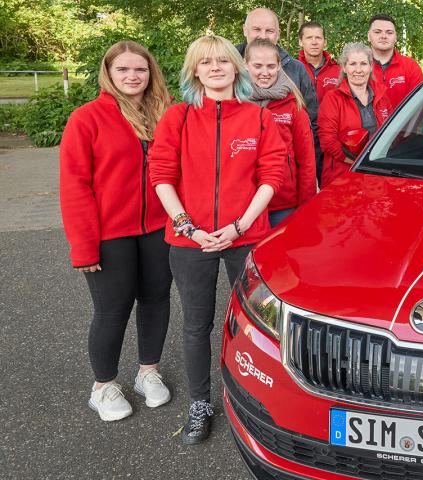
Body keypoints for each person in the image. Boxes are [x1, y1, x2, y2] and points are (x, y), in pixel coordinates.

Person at [149, 34, 286, 445]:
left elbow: (272, 177)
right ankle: (200, 404)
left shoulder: (258, 118)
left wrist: (239, 226)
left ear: (236, 68)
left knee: (255, 325)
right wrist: (188, 226)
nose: (214, 68)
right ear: (194, 70)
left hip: (245, 237)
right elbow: (161, 176)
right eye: (205, 62)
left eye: (222, 61)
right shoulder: (177, 117)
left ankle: (259, 400)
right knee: (197, 325)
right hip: (191, 242)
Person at [59, 40, 174, 422]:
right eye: (122, 69)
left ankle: (148, 372)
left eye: (139, 69)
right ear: (108, 74)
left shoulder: (165, 114)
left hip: (159, 227)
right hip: (110, 233)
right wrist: (84, 247)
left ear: (150, 72)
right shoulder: (87, 118)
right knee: (112, 310)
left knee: (156, 299)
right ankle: (103, 385)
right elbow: (75, 185)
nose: (132, 76)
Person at [238, 8, 322, 182]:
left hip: (284, 180)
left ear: (278, 34)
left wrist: (310, 178)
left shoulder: (296, 69)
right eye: (256, 29)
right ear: (245, 30)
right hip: (239, 179)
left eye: (269, 31)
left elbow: (312, 124)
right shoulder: (227, 64)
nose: (263, 36)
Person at [245, 39, 317, 226]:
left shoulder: (293, 104)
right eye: (257, 66)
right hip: (244, 204)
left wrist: (306, 205)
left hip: (283, 204)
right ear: (245, 65)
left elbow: (306, 158)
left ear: (279, 66)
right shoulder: (236, 102)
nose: (265, 73)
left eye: (271, 66)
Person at [317, 42, 392, 185]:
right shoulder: (333, 98)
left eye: (363, 64)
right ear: (344, 67)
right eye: (353, 64)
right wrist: (358, 162)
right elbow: (327, 141)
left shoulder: (382, 96)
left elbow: (391, 133)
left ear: (371, 67)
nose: (358, 70)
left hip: (377, 175)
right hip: (342, 176)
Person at [367, 13, 423, 111]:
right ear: (368, 36)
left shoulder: (410, 67)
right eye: (377, 32)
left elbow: (420, 106)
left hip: (402, 125)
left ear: (396, 37)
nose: (383, 36)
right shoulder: (357, 67)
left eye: (389, 32)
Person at [297, 21, 341, 102]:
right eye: (309, 38)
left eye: (318, 38)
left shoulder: (339, 70)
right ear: (301, 42)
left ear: (325, 42)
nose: (314, 42)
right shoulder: (292, 70)